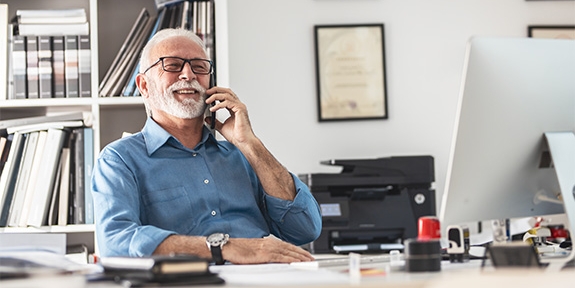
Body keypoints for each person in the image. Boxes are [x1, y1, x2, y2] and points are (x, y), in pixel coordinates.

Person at [91, 28, 322, 264]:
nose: (188, 74)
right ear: (144, 85)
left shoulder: (242, 156)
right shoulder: (119, 160)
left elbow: (305, 229)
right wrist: (224, 248)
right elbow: (116, 241)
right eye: (172, 65)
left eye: (199, 66)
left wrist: (249, 143)